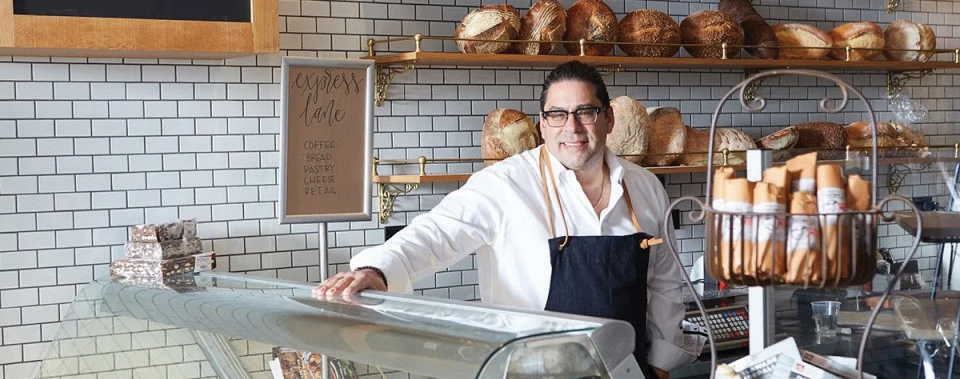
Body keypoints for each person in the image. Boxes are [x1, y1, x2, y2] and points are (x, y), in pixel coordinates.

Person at [314, 60, 696, 378]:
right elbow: (435, 233)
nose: (573, 128)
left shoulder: (645, 188)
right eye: (558, 115)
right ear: (542, 124)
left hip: (624, 372)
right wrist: (376, 271)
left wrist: (660, 364)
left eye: (586, 112)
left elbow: (664, 284)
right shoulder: (505, 185)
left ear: (608, 119)